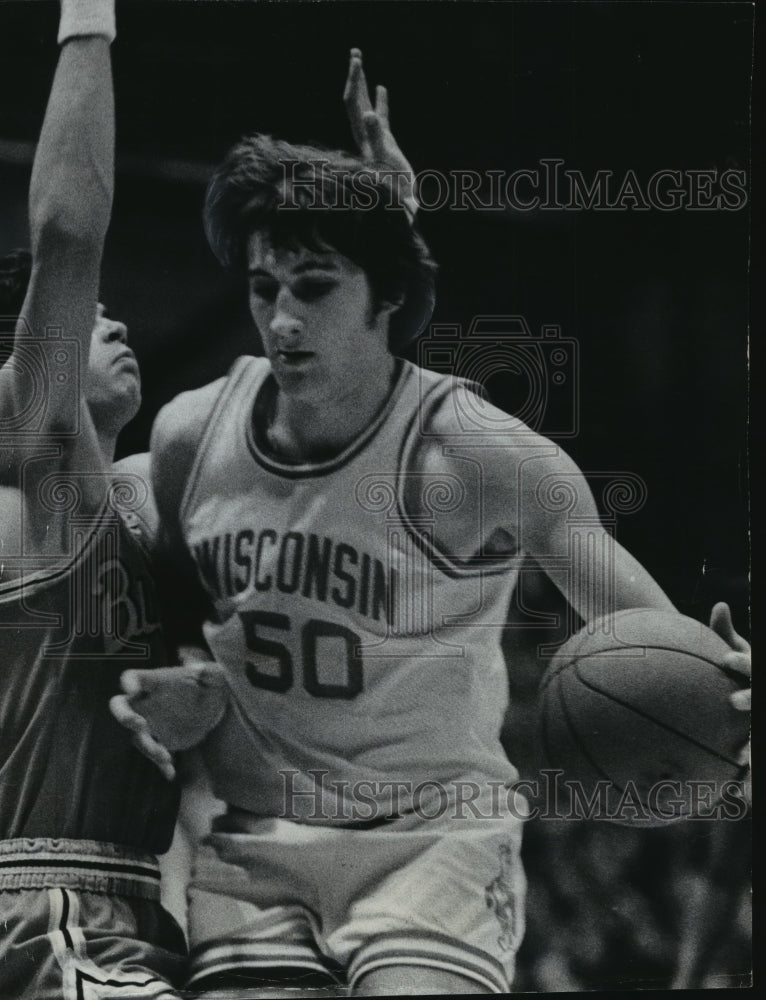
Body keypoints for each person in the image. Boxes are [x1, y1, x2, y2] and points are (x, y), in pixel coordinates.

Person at [111, 49, 751, 996]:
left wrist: (723, 692)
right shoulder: (187, 437)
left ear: (392, 300)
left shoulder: (480, 456)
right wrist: (173, 683)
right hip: (256, 842)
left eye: (316, 287)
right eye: (263, 287)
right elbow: (166, 625)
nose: (282, 319)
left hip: (433, 843)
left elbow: (641, 640)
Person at [0, 2, 185, 996]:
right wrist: (89, 15)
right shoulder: (36, 498)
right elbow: (68, 233)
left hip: (132, 902)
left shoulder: (141, 491)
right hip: (47, 913)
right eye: (83, 322)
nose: (107, 322)